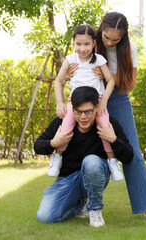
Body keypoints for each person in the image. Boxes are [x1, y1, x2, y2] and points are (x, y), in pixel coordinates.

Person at [67, 12, 146, 222]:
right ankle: (82, 205)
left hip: (117, 98)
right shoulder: (91, 41)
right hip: (90, 97)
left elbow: (131, 82)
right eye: (106, 37)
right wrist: (69, 73)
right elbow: (70, 67)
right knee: (84, 150)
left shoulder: (130, 49)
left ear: (123, 37)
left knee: (133, 152)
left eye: (114, 40)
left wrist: (108, 75)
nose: (108, 42)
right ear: (101, 30)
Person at [35, 86, 133, 227]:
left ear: (97, 107)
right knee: (44, 216)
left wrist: (113, 139)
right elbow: (37, 146)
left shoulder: (108, 124)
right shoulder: (62, 122)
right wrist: (54, 142)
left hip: (95, 173)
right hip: (67, 178)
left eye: (88, 111)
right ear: (72, 108)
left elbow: (129, 156)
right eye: (78, 112)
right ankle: (78, 205)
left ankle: (95, 208)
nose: (83, 117)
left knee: (91, 161)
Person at [49, 24, 124, 182]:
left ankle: (112, 162)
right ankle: (57, 158)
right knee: (66, 128)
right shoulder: (70, 60)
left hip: (97, 103)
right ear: (73, 43)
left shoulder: (99, 60)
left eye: (87, 44)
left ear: (94, 43)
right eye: (78, 44)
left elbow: (110, 81)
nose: (82, 48)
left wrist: (103, 101)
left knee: (105, 128)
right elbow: (59, 81)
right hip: (75, 102)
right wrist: (60, 102)